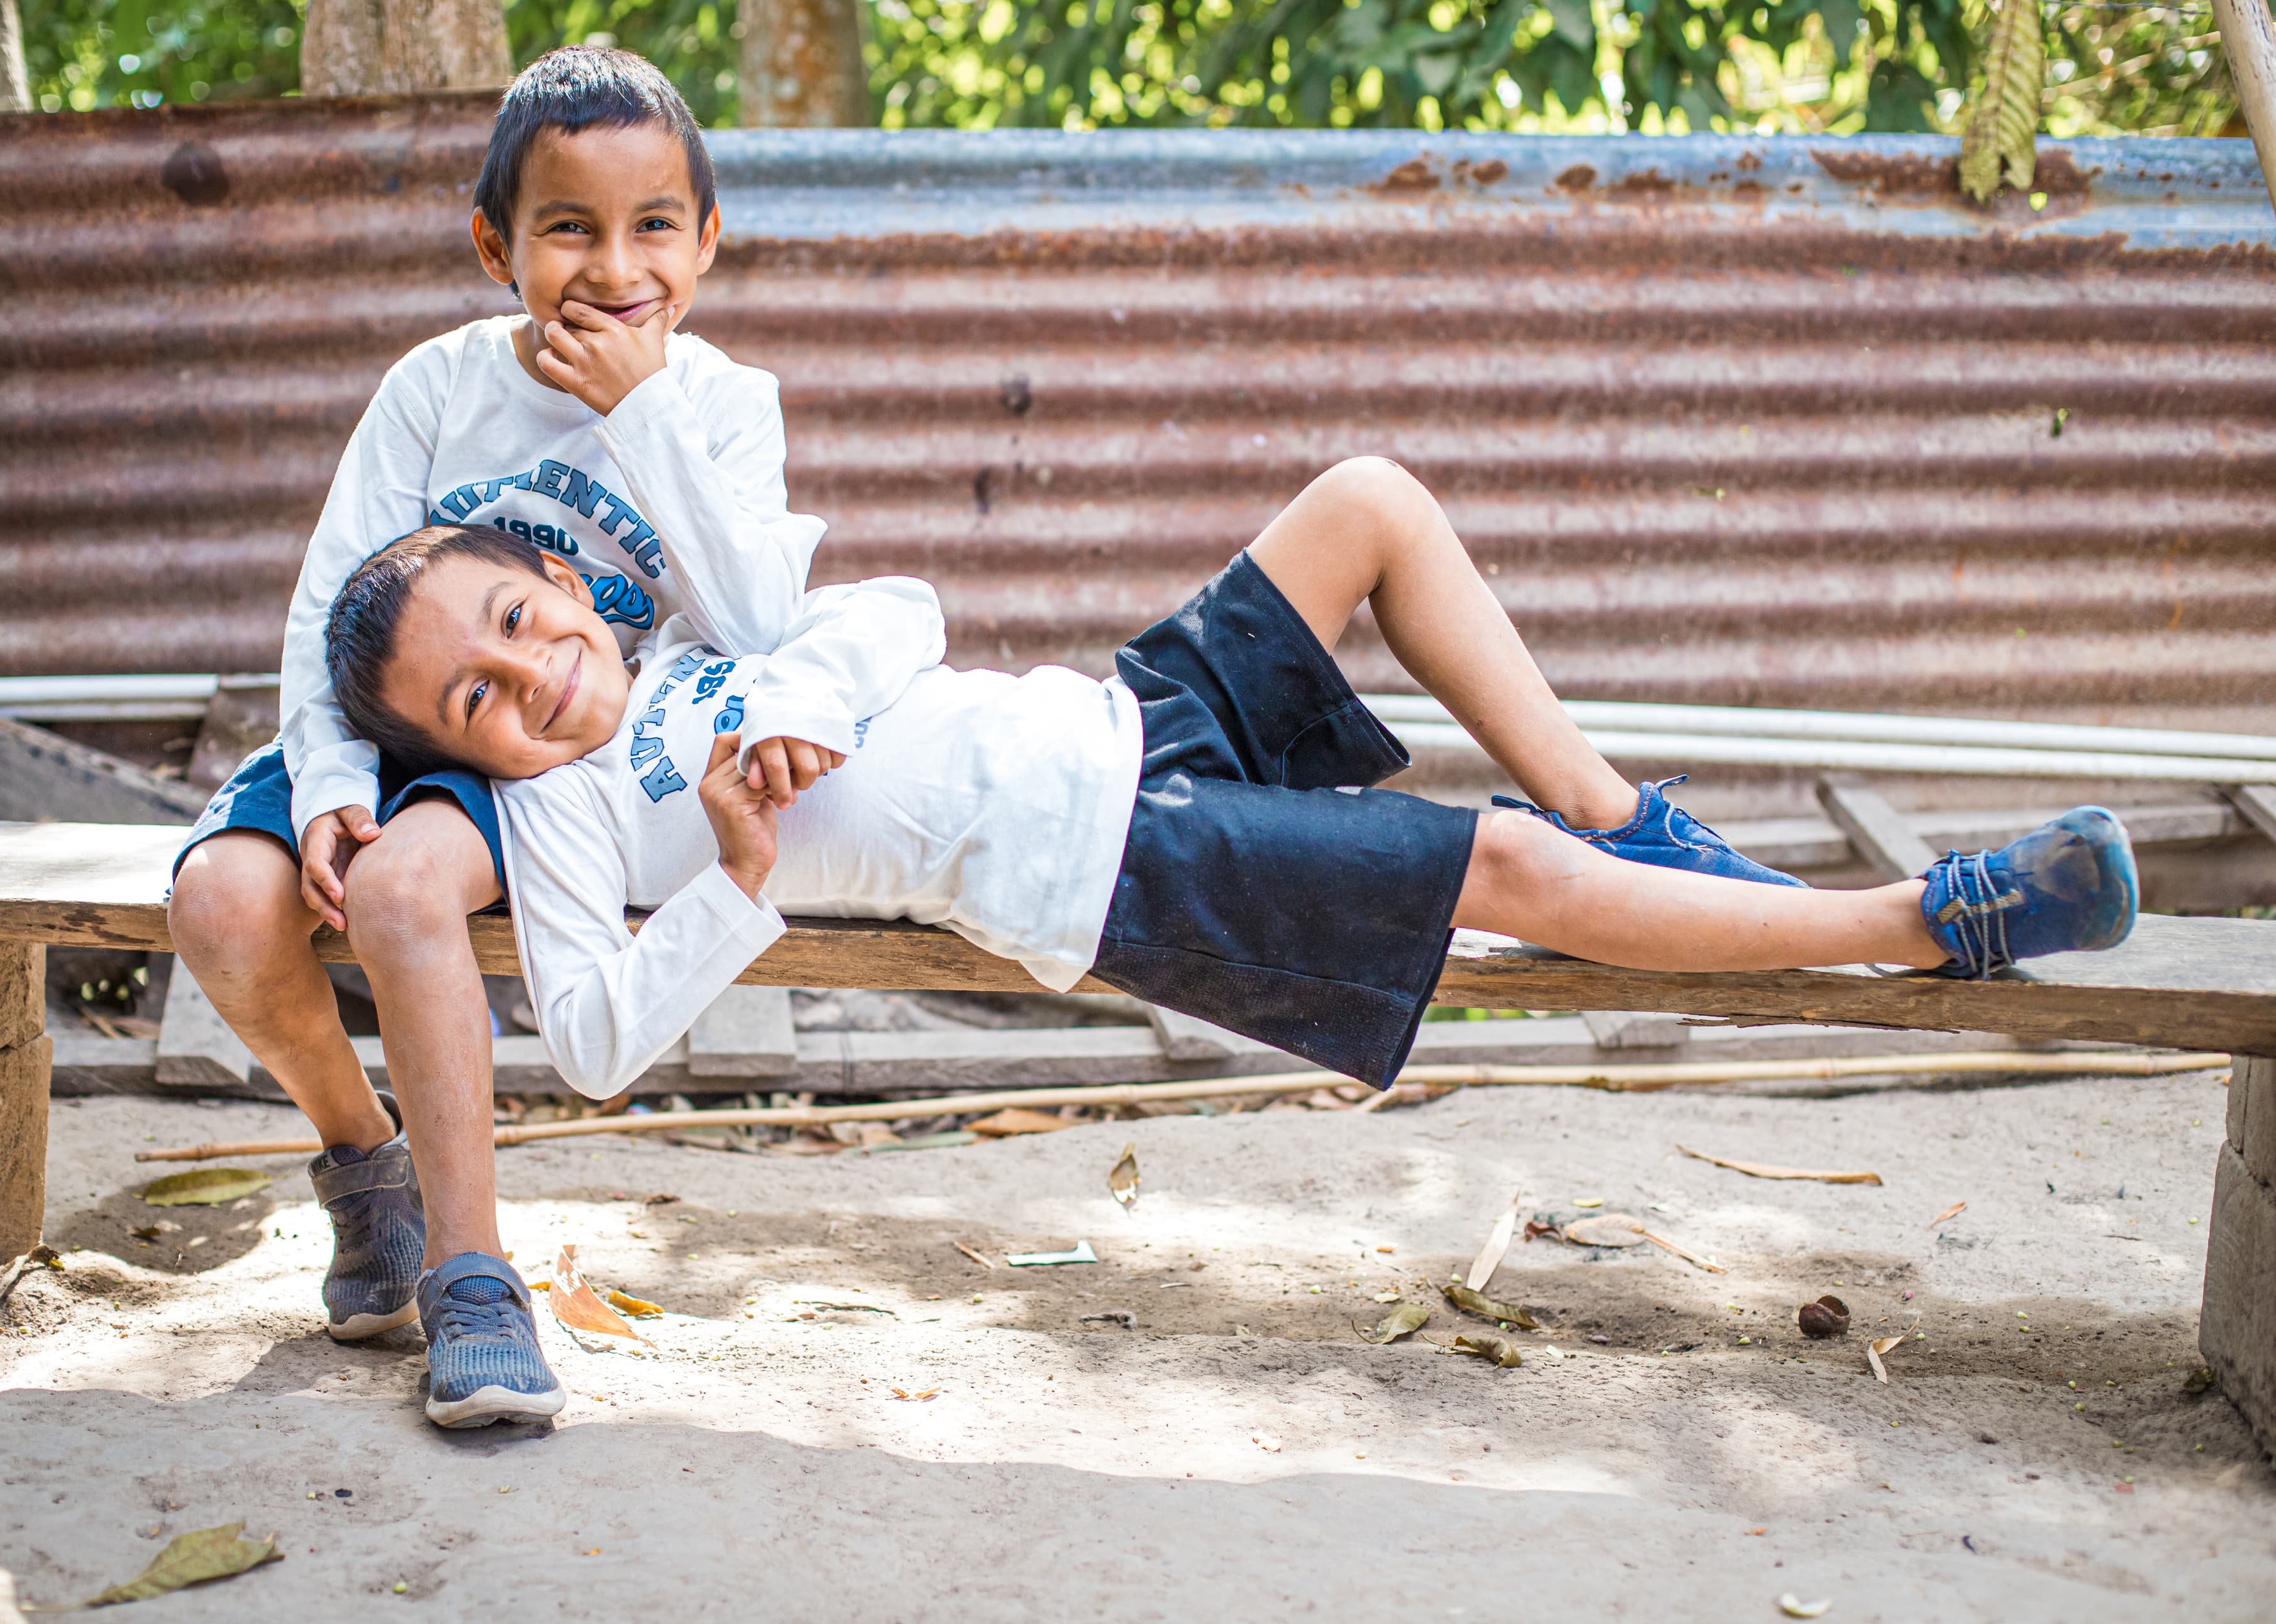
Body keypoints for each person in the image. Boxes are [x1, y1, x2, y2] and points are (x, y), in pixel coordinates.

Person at [326, 457, 2139, 1427]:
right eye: (472, 703)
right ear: (457, 758)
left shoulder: (709, 649)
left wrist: (793, 690)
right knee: (1482, 866)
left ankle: (1628, 822)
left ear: (563, 582)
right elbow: (594, 1042)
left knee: (1367, 501)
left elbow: (901, 611)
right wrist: (734, 869)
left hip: (1128, 720)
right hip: (1112, 867)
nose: (525, 680)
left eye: (513, 621)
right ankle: (1918, 927)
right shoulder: (560, 824)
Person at [165, 46, 820, 1380]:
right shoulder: (438, 387)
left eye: (652, 227)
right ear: (494, 244)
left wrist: (640, 416)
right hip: (384, 720)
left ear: (707, 241)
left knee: (407, 890)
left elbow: (756, 617)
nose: (614, 265)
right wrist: (335, 777)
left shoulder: (725, 406)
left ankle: (474, 1274)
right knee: (220, 904)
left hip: (533, 751)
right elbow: (326, 602)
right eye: (568, 228)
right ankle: (365, 1165)